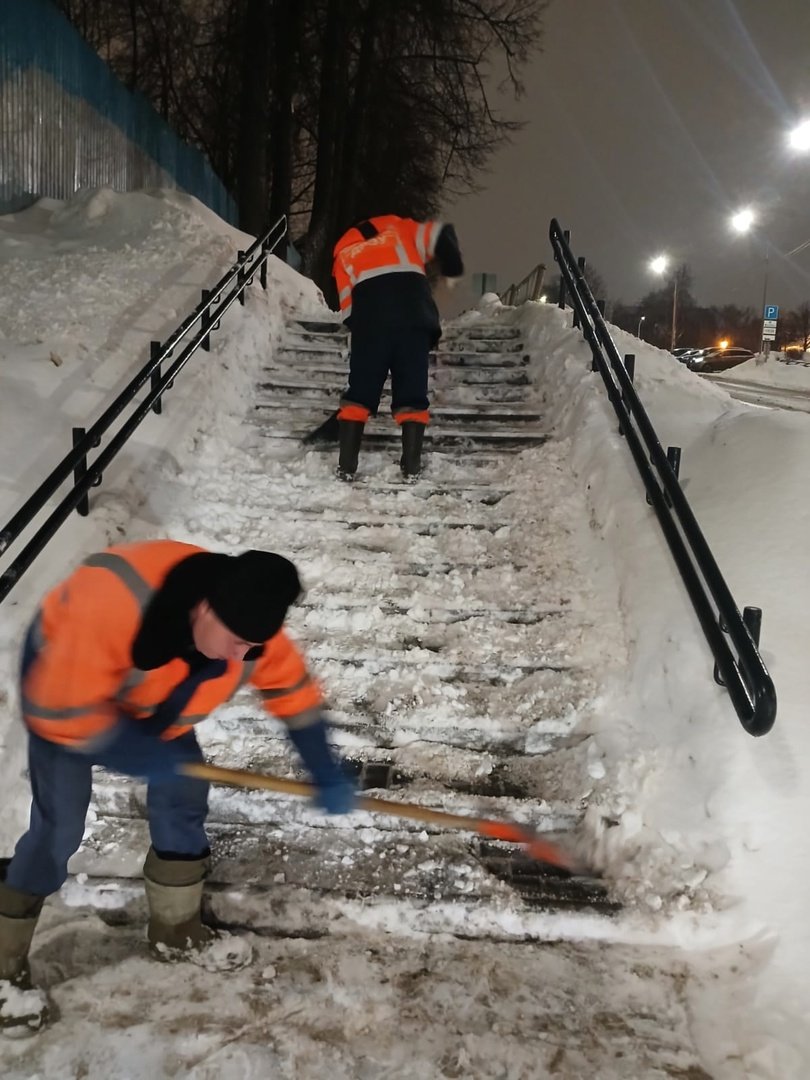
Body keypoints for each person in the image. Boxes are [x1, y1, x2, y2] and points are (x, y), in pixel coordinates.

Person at [0, 539, 354, 1031]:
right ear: (203, 607)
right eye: (236, 641)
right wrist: (138, 752)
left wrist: (323, 767)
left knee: (185, 793)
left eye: (254, 646)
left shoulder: (249, 633)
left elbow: (294, 696)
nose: (242, 656)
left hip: (154, 698)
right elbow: (57, 711)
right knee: (58, 826)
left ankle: (175, 926)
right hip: (66, 689)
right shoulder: (109, 603)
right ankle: (3, 964)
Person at [331, 214, 464, 480]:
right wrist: (452, 266)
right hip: (414, 320)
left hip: (371, 325)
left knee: (359, 394)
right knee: (412, 392)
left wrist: (363, 337)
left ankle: (346, 466)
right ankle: (411, 467)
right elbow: (443, 235)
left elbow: (348, 310)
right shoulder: (401, 229)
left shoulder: (343, 253)